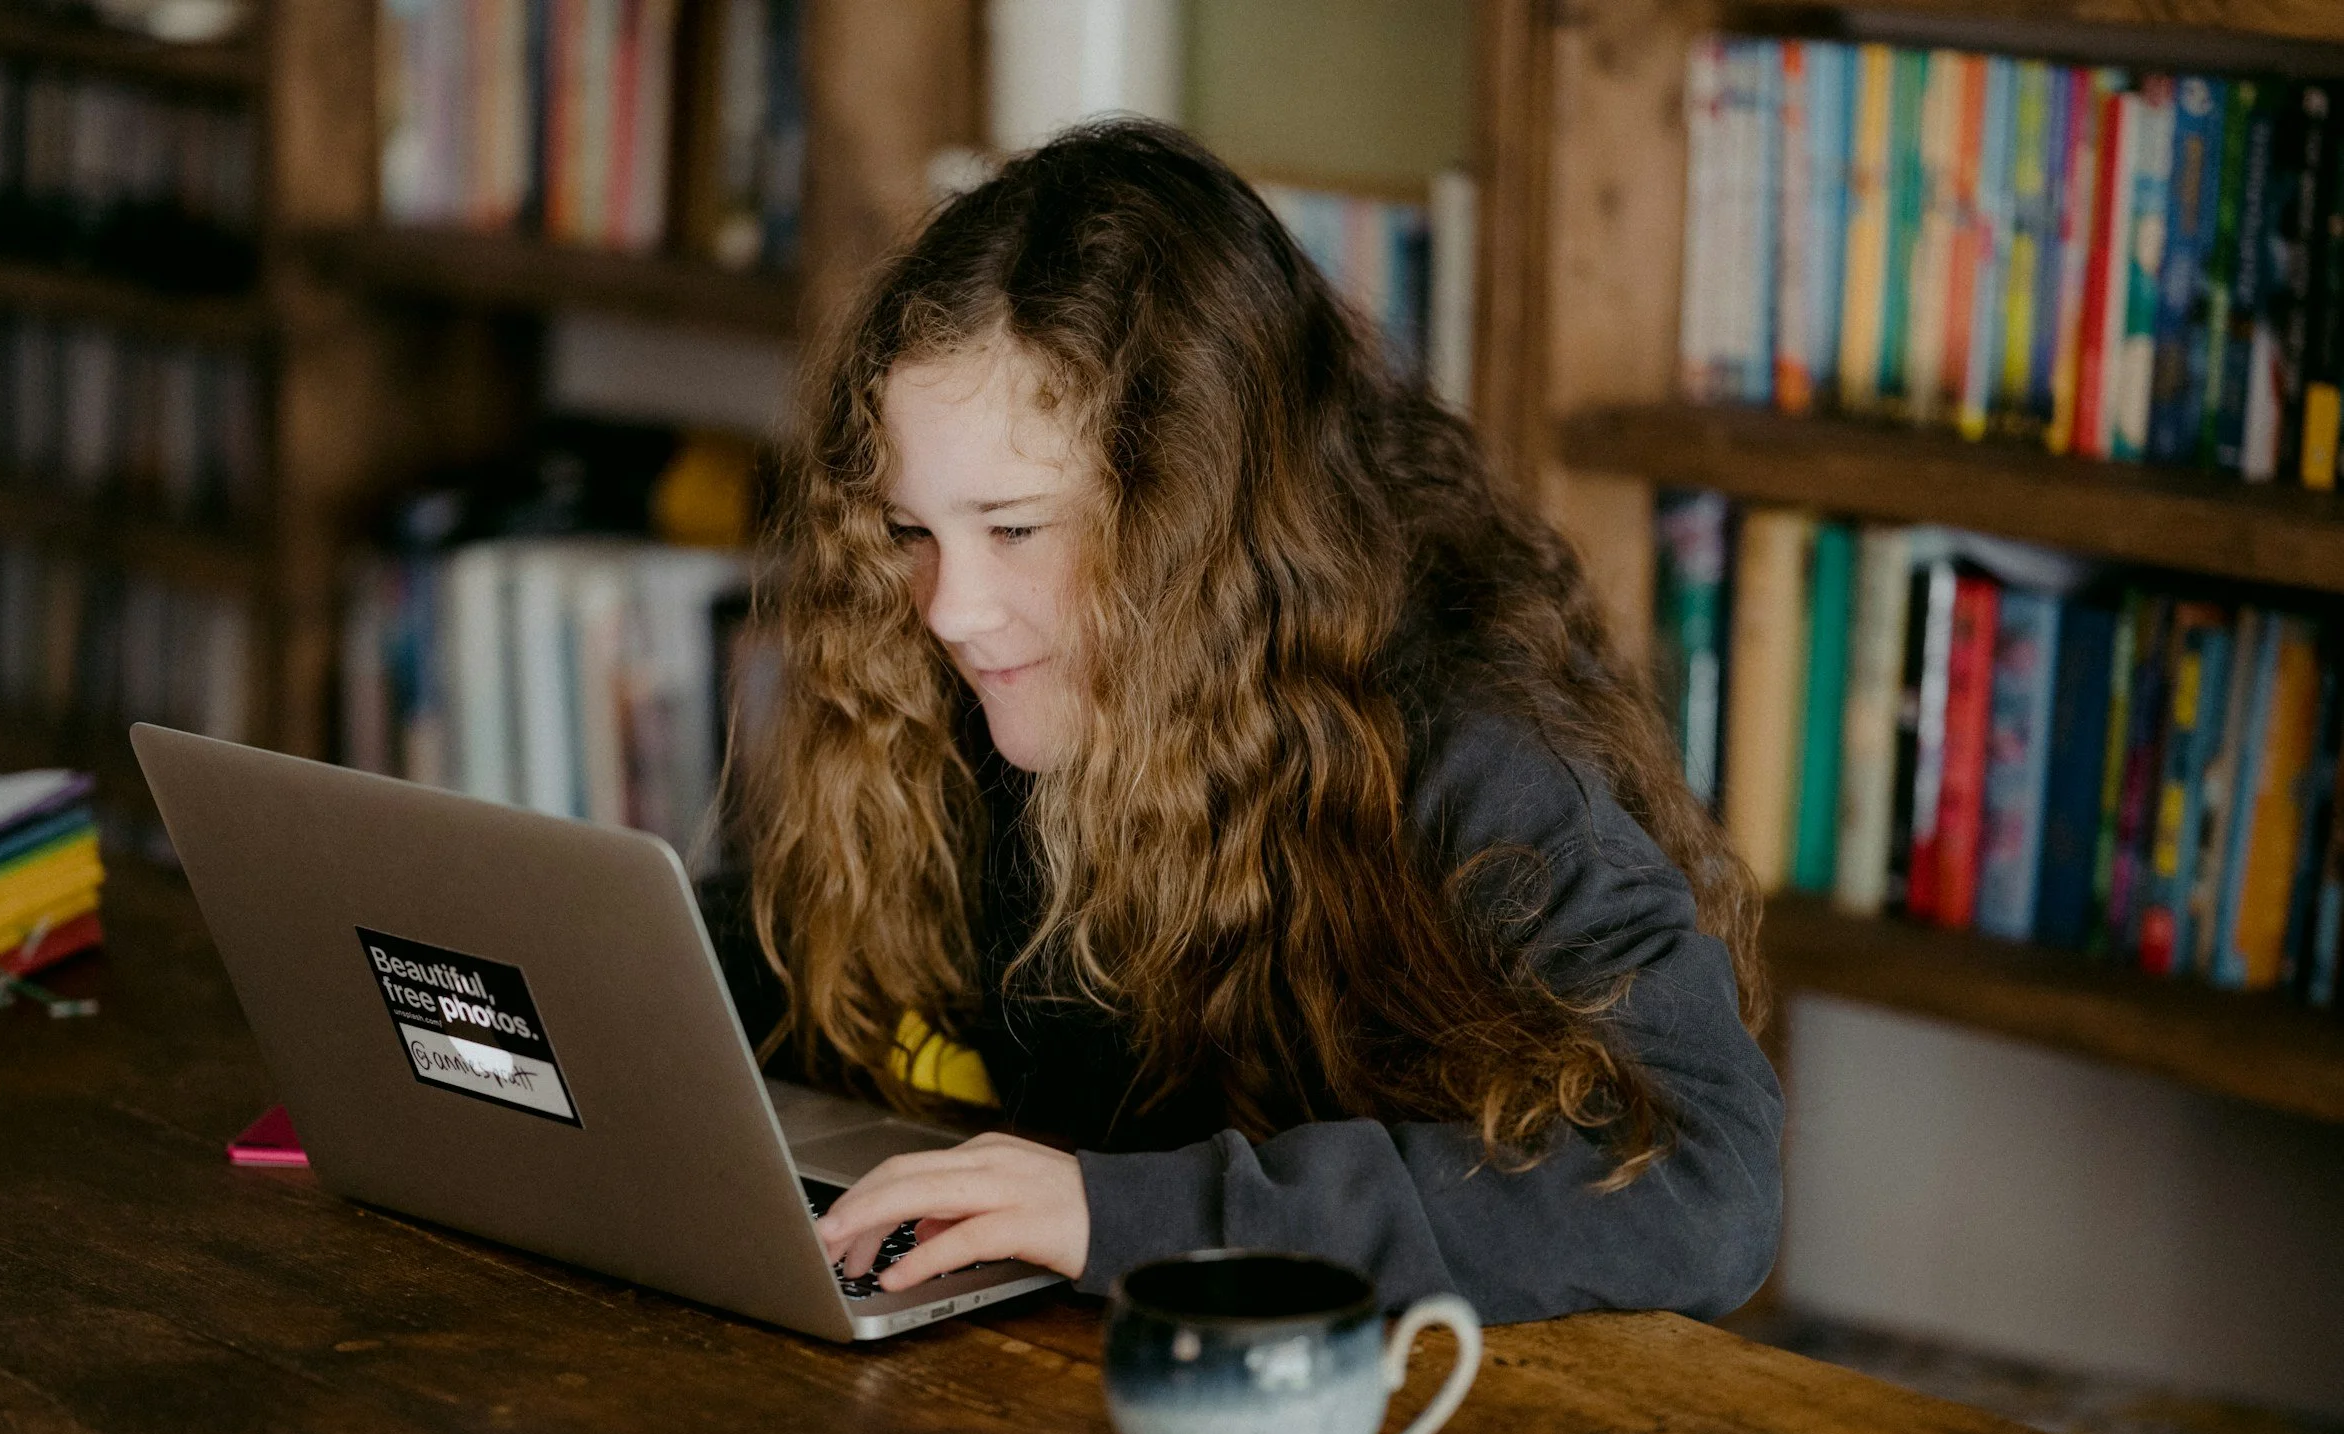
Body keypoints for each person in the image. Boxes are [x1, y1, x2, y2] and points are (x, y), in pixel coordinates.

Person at [698, 119, 1783, 1326]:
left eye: (1016, 530)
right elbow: (764, 956)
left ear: (1197, 520)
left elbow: (1703, 1182)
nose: (952, 611)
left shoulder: (1471, 746)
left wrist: (1121, 1214)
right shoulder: (976, 692)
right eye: (912, 532)